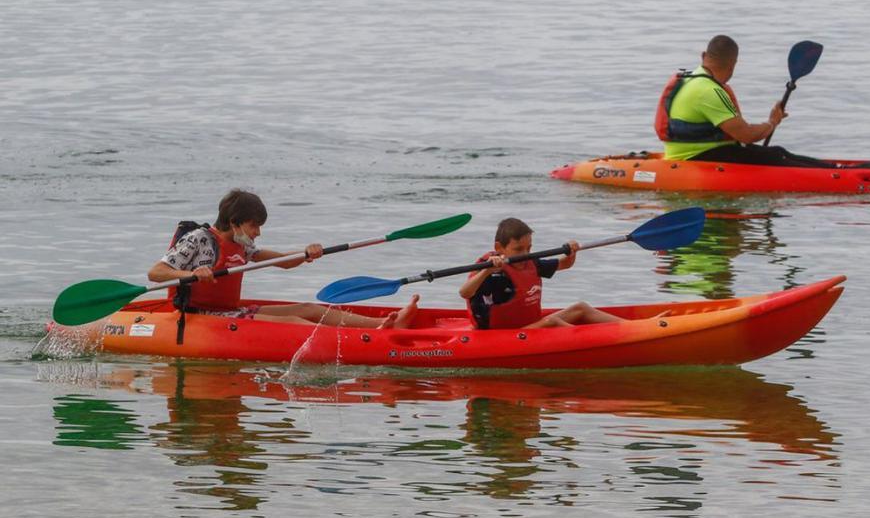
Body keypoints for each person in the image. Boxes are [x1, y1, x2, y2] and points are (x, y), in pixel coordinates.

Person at [148, 189, 418, 328]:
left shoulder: (242, 245)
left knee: (309, 310)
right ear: (235, 222)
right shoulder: (198, 239)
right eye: (254, 226)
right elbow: (157, 272)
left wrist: (306, 253)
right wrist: (190, 275)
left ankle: (383, 326)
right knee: (294, 323)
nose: (258, 232)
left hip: (231, 311)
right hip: (201, 317)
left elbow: (282, 261)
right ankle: (362, 342)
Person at [655, 35, 857, 168]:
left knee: (777, 153)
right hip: (698, 158)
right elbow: (746, 136)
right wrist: (771, 123)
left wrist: (770, 123)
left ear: (704, 56)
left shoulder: (690, 79)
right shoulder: (708, 91)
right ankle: (841, 173)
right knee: (775, 157)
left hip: (691, 153)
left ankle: (839, 169)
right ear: (733, 64)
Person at [459, 218, 626, 330]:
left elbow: (565, 264)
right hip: (503, 335)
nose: (525, 253)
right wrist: (486, 271)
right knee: (551, 321)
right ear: (499, 248)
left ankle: (635, 327)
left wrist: (572, 251)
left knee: (580, 308)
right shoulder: (491, 270)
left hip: (532, 326)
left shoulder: (531, 262)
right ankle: (600, 340)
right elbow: (465, 292)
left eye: (529, 248)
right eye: (518, 249)